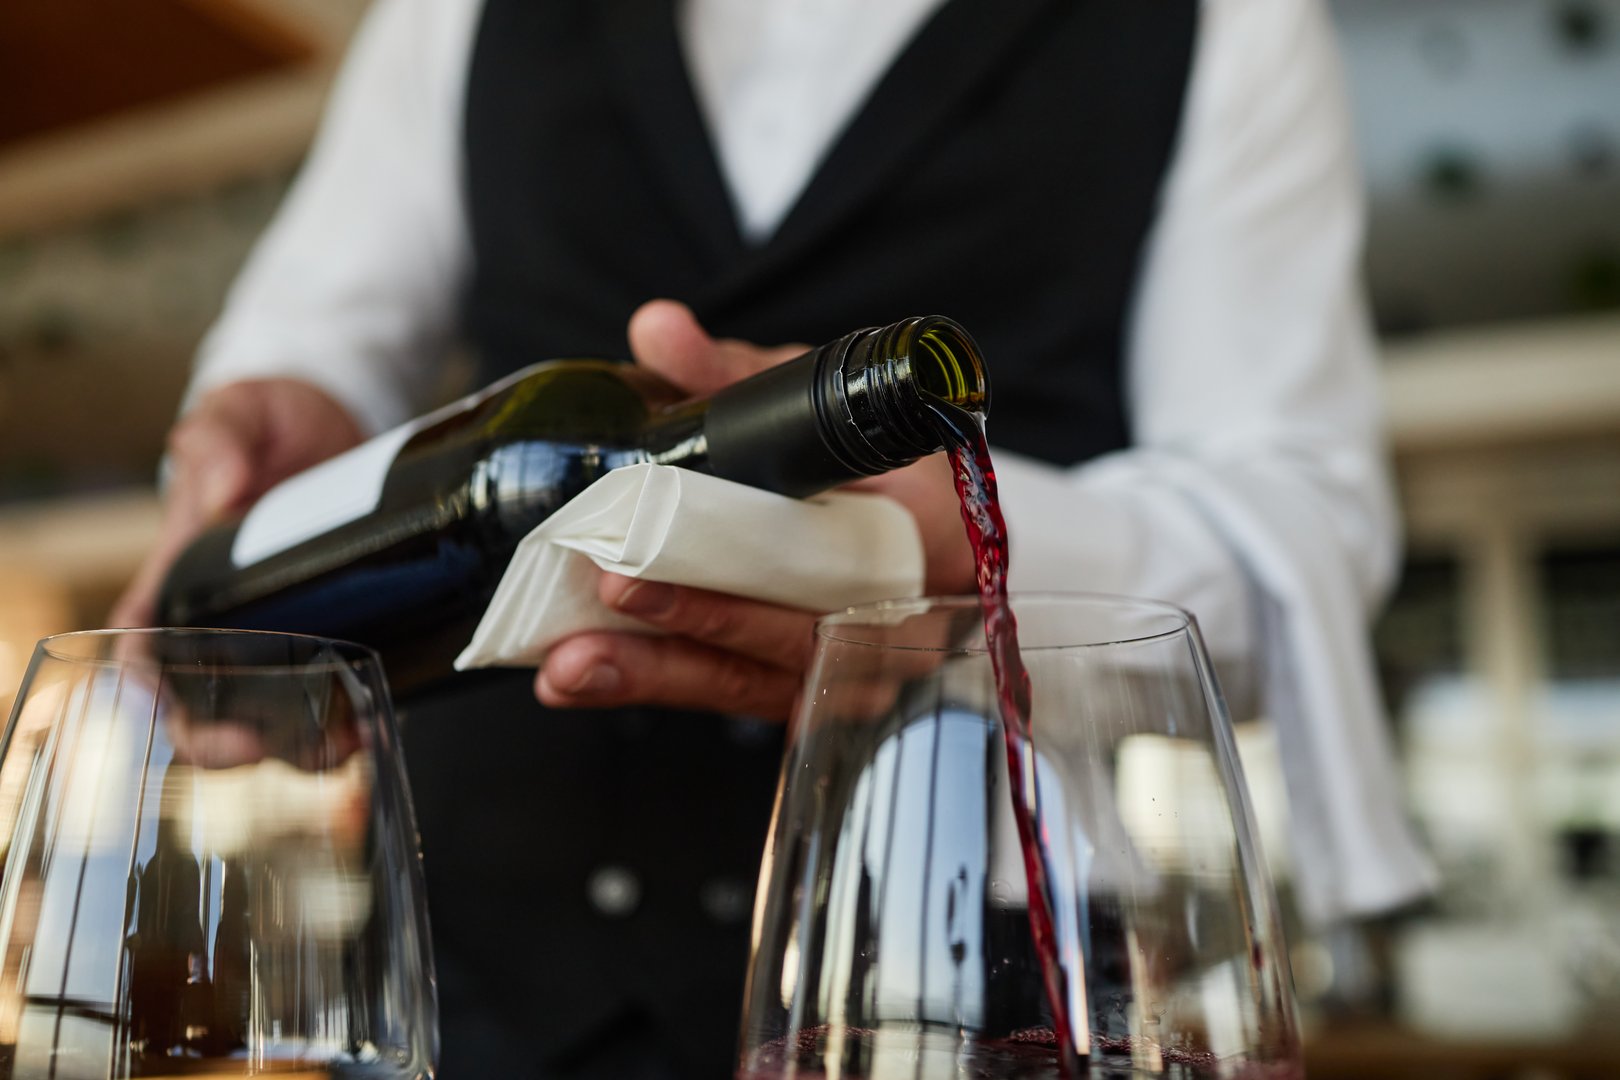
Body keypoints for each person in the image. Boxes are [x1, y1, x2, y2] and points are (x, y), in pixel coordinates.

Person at [114, 0, 1436, 1074]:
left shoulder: (1227, 25)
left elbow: (1301, 536)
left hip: (957, 986)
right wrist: (279, 407)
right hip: (481, 984)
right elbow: (310, 337)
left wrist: (953, 555)